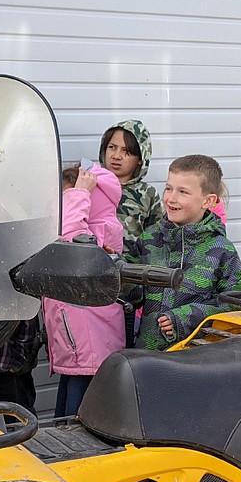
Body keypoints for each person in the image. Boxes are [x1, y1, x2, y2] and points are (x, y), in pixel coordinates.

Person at [124, 155, 241, 350]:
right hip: (147, 357)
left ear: (208, 201)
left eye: (183, 192)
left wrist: (186, 317)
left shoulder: (222, 250)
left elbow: (236, 307)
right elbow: (131, 295)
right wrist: (110, 268)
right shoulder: (149, 240)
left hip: (196, 361)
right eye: (169, 188)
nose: (171, 198)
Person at [44, 163, 126, 416]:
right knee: (66, 411)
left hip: (89, 349)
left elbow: (70, 238)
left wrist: (79, 193)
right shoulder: (91, 230)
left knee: (77, 417)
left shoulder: (99, 234)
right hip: (77, 346)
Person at [97, 120, 164, 345]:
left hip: (128, 289)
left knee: (122, 349)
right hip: (92, 281)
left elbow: (156, 241)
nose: (117, 155)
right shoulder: (89, 183)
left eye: (127, 151)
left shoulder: (147, 194)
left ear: (140, 158)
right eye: (112, 147)